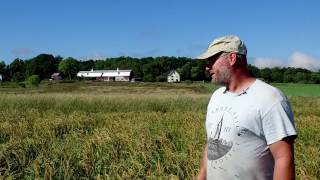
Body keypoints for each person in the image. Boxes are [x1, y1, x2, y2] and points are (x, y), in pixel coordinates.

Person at [196, 35, 297, 180]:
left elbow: (283, 158)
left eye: (212, 60)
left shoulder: (270, 98)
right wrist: (201, 176)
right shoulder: (216, 97)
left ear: (232, 58)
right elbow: (212, 145)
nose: (207, 67)